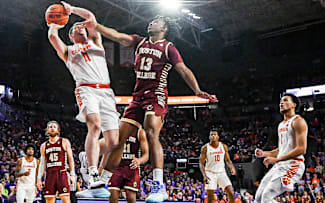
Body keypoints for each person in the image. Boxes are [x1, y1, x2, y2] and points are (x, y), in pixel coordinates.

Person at [82, 8, 217, 202]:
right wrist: (95, 26)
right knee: (119, 139)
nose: (150, 23)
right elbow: (118, 36)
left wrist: (197, 90)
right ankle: (101, 182)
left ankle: (158, 185)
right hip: (137, 97)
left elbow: (183, 69)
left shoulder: (168, 47)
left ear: (164, 27)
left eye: (155, 22)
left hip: (156, 95)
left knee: (151, 131)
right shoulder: (140, 42)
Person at [47, 1, 120, 188]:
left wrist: (71, 10)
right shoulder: (68, 51)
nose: (80, 27)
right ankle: (93, 173)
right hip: (86, 89)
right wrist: (55, 23)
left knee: (113, 142)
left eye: (82, 27)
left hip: (106, 91)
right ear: (71, 35)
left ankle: (86, 157)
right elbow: (53, 37)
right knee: (94, 125)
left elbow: (91, 18)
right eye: (76, 28)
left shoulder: (96, 43)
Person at [254, 93, 308, 202]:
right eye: (280, 101)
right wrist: (264, 153)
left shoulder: (298, 121)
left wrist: (277, 159)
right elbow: (282, 150)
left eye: (285, 100)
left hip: (293, 164)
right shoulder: (281, 125)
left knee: (266, 198)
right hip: (281, 165)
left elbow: (302, 149)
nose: (281, 103)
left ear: (294, 105)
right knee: (258, 198)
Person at [36, 121, 76, 203]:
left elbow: (70, 158)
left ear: (58, 130)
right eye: (50, 127)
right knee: (49, 199)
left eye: (54, 127)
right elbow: (42, 163)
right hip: (49, 174)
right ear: (47, 130)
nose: (52, 128)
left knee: (65, 199)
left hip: (62, 173)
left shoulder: (64, 141)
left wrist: (72, 174)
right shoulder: (44, 145)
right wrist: (39, 178)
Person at [108, 127, 149, 203]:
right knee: (112, 197)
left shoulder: (139, 132)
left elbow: (146, 155)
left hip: (131, 167)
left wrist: (139, 160)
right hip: (116, 167)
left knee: (131, 198)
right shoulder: (115, 129)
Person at [199, 130, 236, 203]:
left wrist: (232, 168)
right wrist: (204, 175)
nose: (213, 136)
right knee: (210, 197)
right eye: (211, 135)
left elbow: (228, 160)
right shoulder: (205, 148)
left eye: (215, 134)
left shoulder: (223, 146)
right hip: (210, 173)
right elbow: (201, 163)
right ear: (209, 137)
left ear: (218, 137)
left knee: (231, 192)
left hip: (221, 172)